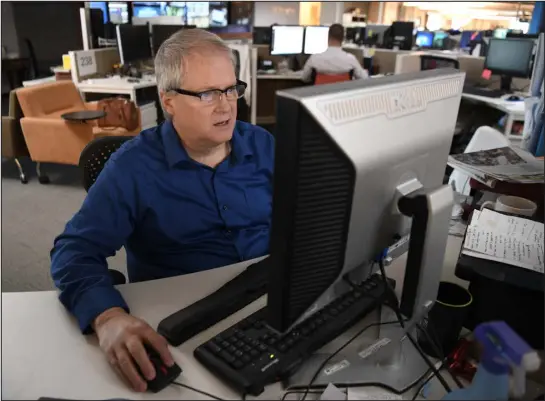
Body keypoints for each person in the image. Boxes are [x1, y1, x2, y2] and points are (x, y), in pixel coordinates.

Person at [50, 29, 274, 392]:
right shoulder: (133, 168)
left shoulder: (263, 145)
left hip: (264, 302)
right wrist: (108, 317)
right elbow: (73, 251)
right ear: (168, 101)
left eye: (231, 89)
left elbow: (303, 215)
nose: (226, 105)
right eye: (206, 93)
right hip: (183, 323)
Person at [301, 23, 368, 83]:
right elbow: (364, 78)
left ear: (328, 37)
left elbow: (304, 78)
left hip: (320, 95)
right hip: (340, 95)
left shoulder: (314, 58)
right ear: (343, 39)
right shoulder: (351, 59)